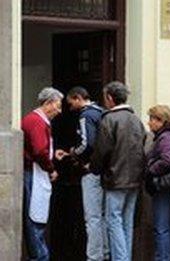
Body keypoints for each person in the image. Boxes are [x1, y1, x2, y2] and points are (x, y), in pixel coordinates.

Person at [90, 81, 146, 261]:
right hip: (135, 179)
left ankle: (121, 259)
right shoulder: (136, 120)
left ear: (109, 98)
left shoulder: (110, 119)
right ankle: (125, 257)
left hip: (115, 178)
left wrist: (95, 168)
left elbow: (102, 150)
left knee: (113, 221)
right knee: (127, 222)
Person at [55, 86, 108, 261]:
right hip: (105, 170)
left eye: (71, 104)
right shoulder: (102, 112)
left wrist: (74, 154)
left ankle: (94, 257)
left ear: (78, 98)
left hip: (91, 170)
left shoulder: (86, 115)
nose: (70, 109)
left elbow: (87, 144)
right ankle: (106, 254)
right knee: (104, 216)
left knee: (92, 218)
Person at [22, 87, 63, 260]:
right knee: (34, 218)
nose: (59, 111)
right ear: (48, 103)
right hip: (32, 173)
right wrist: (51, 168)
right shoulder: (37, 122)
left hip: (34, 171)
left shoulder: (35, 120)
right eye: (58, 106)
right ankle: (40, 256)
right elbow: (39, 150)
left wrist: (52, 154)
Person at [145, 105, 170, 261]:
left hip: (163, 187)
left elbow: (167, 160)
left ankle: (163, 258)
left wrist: (150, 169)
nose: (149, 123)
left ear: (161, 121)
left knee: (161, 228)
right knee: (168, 227)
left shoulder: (165, 138)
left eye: (152, 119)